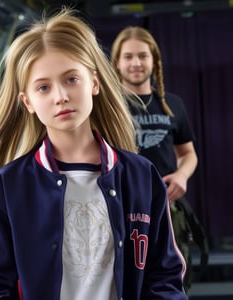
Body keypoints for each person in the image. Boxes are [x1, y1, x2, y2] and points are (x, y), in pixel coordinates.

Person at [0, 8, 187, 299]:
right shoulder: (6, 187)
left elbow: (165, 280)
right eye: (43, 87)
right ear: (28, 101)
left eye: (71, 79)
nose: (60, 96)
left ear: (94, 82)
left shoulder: (142, 177)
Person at [111, 26, 199, 293]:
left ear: (154, 61)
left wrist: (182, 175)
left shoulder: (172, 104)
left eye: (142, 56)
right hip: (121, 209)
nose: (136, 63)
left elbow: (188, 154)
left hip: (168, 210)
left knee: (170, 283)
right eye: (128, 57)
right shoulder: (108, 107)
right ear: (117, 62)